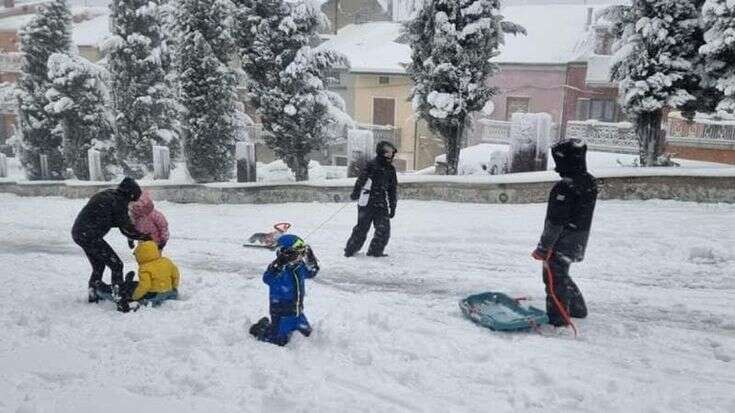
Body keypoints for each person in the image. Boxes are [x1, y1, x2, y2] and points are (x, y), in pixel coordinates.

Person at [531, 139, 598, 327]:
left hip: (562, 240)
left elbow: (555, 222)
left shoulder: (564, 188)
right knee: (562, 273)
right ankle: (577, 307)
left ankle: (558, 319)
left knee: (552, 278)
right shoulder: (589, 181)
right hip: (579, 238)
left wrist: (544, 248)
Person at [72, 177, 150, 302]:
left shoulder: (109, 194)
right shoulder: (119, 202)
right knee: (117, 265)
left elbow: (113, 220)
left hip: (79, 232)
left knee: (99, 266)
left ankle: (93, 295)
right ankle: (120, 300)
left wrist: (130, 233)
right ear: (130, 195)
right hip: (90, 235)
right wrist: (144, 237)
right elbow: (125, 228)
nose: (130, 204)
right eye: (132, 200)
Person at [249, 234, 319, 346]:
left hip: (297, 312)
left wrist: (310, 257)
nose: (301, 257)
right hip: (281, 313)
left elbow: (312, 271)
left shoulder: (299, 266)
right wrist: (278, 265)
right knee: (280, 341)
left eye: (303, 253)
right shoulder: (279, 270)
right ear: (287, 254)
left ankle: (285, 326)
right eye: (299, 253)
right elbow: (267, 278)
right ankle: (261, 329)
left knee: (307, 334)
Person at [344, 140, 398, 257]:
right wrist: (356, 193)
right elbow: (361, 180)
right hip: (367, 201)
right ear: (381, 151)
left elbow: (392, 189)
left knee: (383, 229)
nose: (390, 154)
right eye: (387, 151)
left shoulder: (390, 169)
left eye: (391, 151)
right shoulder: (372, 165)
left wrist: (392, 206)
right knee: (362, 228)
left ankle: (375, 251)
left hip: (381, 203)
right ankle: (350, 250)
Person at [94, 241, 180, 312]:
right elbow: (176, 275)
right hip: (169, 292)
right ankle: (128, 282)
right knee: (136, 284)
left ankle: (101, 290)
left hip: (152, 296)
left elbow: (145, 286)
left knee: (126, 290)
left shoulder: (144, 268)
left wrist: (135, 296)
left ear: (141, 255)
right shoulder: (166, 261)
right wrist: (174, 287)